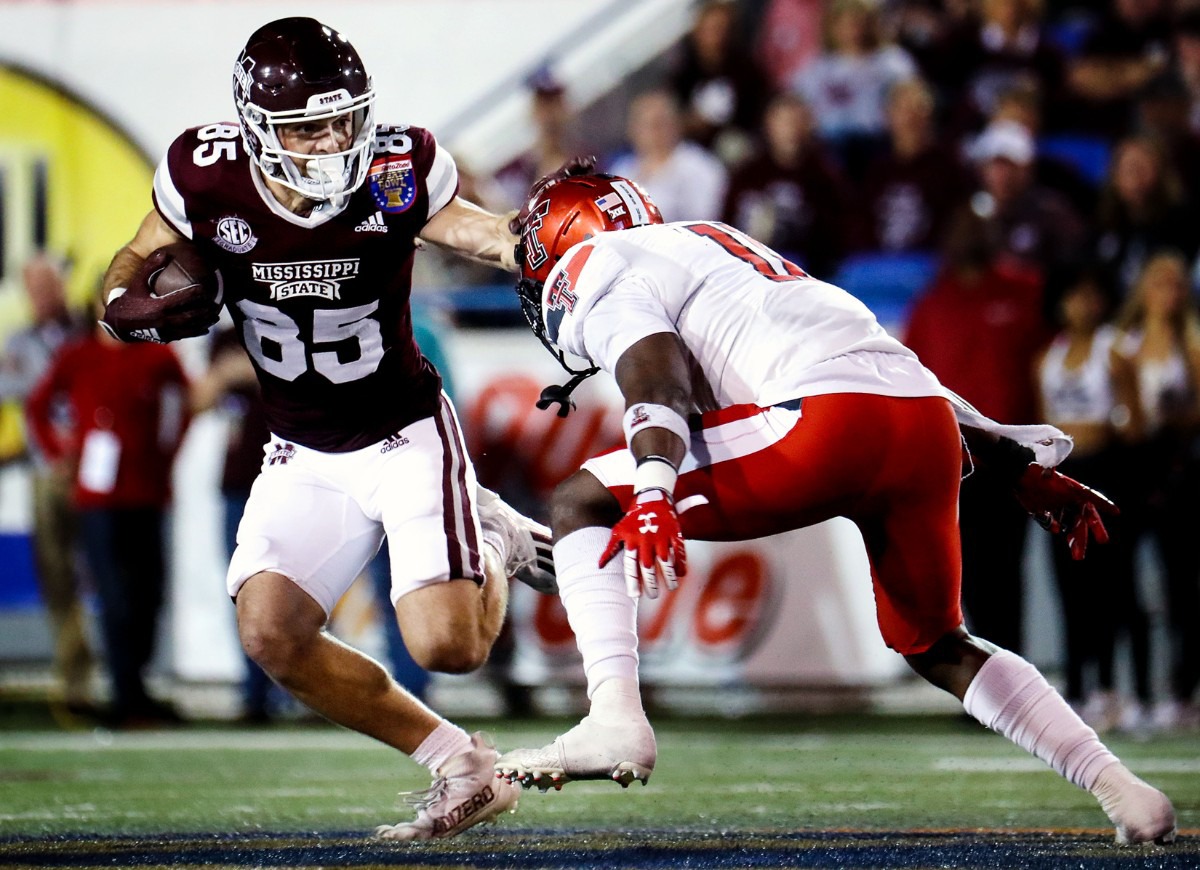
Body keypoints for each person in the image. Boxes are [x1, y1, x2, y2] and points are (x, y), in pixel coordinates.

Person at [494, 164, 1176, 845]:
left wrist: (651, 493)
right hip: (924, 422)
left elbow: (657, 375)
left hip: (823, 424)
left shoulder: (602, 262)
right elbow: (884, 367)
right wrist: (1016, 465)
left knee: (582, 501)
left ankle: (613, 716)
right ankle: (1125, 792)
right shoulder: (715, 243)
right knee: (935, 643)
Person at [95, 17, 554, 839]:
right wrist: (119, 300)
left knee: (450, 646)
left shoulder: (395, 164)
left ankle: (494, 541)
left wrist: (553, 244)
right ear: (255, 128)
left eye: (344, 119)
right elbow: (134, 256)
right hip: (300, 447)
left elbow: (485, 235)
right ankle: (462, 765)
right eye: (308, 125)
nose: (333, 140)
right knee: (270, 633)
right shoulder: (205, 175)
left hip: (404, 429)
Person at [26, 294, 190, 727]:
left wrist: (165, 458)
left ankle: (136, 683)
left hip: (148, 494)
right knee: (114, 594)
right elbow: (38, 405)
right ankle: (125, 692)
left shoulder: (158, 358)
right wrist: (57, 451)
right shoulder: (78, 356)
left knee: (148, 592)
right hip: (98, 499)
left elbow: (182, 409)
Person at [1034, 269, 1146, 732]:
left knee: (1114, 585)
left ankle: (1122, 689)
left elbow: (1135, 423)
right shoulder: (1047, 359)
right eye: (1074, 295)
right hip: (1065, 478)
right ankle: (1079, 688)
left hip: (1108, 474)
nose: (1083, 305)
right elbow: (1044, 427)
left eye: (1091, 295)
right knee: (1071, 587)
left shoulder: (1114, 355)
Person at [0, 255, 93, 717]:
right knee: (55, 572)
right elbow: (17, 395)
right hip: (46, 468)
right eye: (32, 287)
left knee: (107, 567)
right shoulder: (20, 341)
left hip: (95, 470)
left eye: (46, 285)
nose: (40, 295)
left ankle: (113, 670)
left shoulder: (89, 331)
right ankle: (76, 675)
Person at [1112, 251, 1200, 733]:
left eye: (1177, 284)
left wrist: (1177, 417)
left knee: (1182, 586)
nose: (1170, 293)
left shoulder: (1193, 344)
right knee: (1126, 587)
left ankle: (1182, 691)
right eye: (1160, 283)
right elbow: (1121, 413)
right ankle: (1140, 691)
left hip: (1181, 472)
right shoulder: (1124, 344)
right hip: (1134, 469)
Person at [608, 89, 727, 222]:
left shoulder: (699, 167)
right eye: (644, 125)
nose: (653, 132)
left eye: (659, 124)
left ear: (675, 124)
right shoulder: (622, 173)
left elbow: (708, 219)